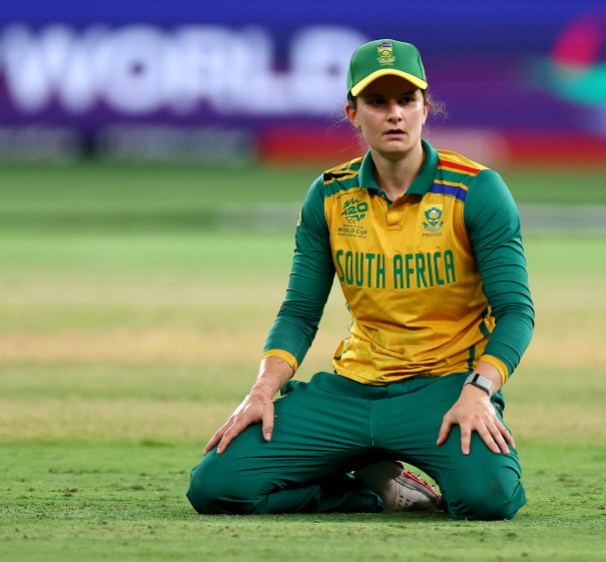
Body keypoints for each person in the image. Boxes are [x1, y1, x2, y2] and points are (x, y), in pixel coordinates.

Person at [186, 38, 534, 520]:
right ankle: (371, 489)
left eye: (406, 100)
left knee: (487, 498)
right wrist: (262, 390)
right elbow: (299, 313)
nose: (394, 114)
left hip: (444, 389)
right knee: (216, 487)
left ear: (425, 108)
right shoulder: (329, 194)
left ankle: (391, 461)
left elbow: (516, 313)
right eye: (377, 101)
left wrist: (480, 391)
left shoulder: (476, 189)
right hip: (351, 392)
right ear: (353, 112)